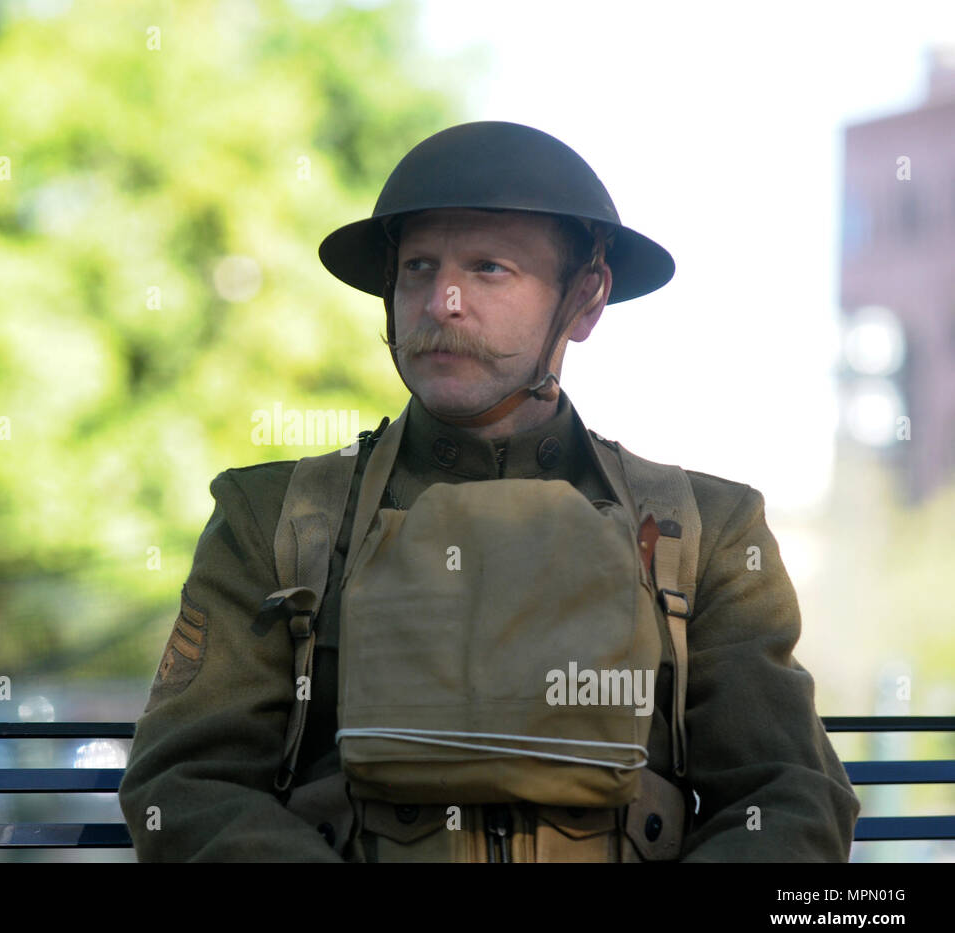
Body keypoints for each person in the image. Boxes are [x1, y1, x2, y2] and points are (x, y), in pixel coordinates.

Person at [119, 121, 861, 862]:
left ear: (586, 298)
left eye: (488, 268)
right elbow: (186, 784)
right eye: (417, 267)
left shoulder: (705, 532)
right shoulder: (279, 520)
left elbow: (790, 797)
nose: (443, 300)